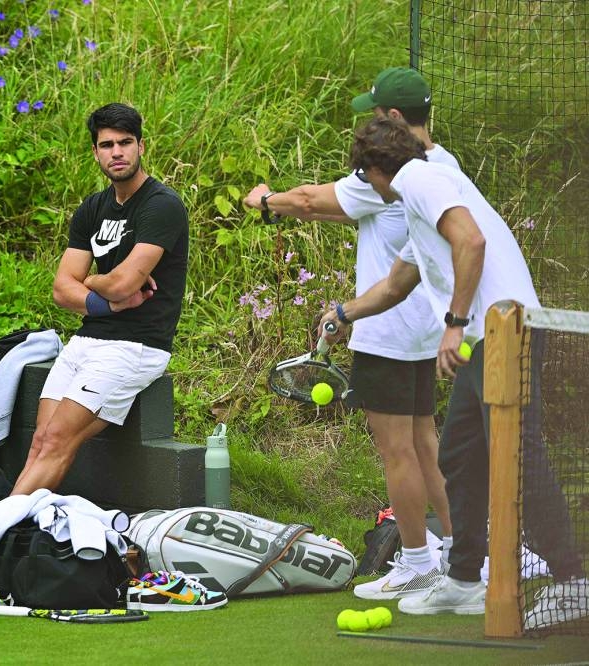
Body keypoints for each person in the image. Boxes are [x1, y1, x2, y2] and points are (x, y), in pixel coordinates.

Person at [321, 116, 586, 621]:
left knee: (519, 458)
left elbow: (471, 242)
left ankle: (572, 579)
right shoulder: (421, 198)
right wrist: (343, 313)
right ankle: (465, 578)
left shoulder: (419, 181)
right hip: (487, 338)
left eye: (364, 177)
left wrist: (453, 323)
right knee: (461, 455)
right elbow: (398, 283)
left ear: (375, 171)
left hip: (506, 332)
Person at [242, 67, 454, 601]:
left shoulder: (391, 171)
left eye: (378, 113)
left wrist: (265, 202)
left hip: (386, 330)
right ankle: (457, 549)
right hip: (427, 330)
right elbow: (355, 211)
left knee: (397, 452)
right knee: (425, 444)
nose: (372, 123)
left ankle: (416, 562)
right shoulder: (442, 165)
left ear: (397, 118)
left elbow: (314, 200)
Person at [11, 103, 189, 495]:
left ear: (142, 146)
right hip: (86, 342)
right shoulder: (93, 208)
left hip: (134, 346)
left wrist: (90, 279)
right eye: (107, 144)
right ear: (95, 152)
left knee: (57, 440)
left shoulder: (162, 205)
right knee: (41, 439)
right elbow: (61, 289)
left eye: (125, 142)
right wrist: (103, 300)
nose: (117, 152)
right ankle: (11, 537)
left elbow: (125, 282)